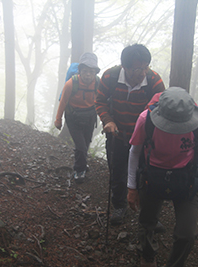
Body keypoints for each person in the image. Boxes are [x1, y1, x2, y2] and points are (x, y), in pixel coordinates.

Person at [127, 87, 198, 267]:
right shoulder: (146, 119)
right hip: (152, 175)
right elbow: (135, 152)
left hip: (186, 179)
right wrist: (131, 187)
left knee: (187, 233)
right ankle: (148, 255)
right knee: (147, 222)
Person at [95, 44, 165, 225]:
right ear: (124, 66)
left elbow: (160, 108)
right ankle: (119, 206)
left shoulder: (154, 81)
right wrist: (108, 120)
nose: (142, 73)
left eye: (145, 67)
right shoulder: (110, 77)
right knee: (117, 172)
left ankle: (147, 212)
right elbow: (100, 101)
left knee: (146, 173)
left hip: (144, 139)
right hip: (117, 134)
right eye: (137, 69)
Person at [55, 52, 100, 184]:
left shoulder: (98, 83)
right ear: (80, 71)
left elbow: (102, 100)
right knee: (80, 146)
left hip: (90, 117)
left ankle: (82, 163)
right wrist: (58, 119)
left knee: (85, 144)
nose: (88, 75)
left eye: (91, 72)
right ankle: (79, 170)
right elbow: (63, 101)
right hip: (73, 118)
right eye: (85, 71)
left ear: (95, 73)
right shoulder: (71, 84)